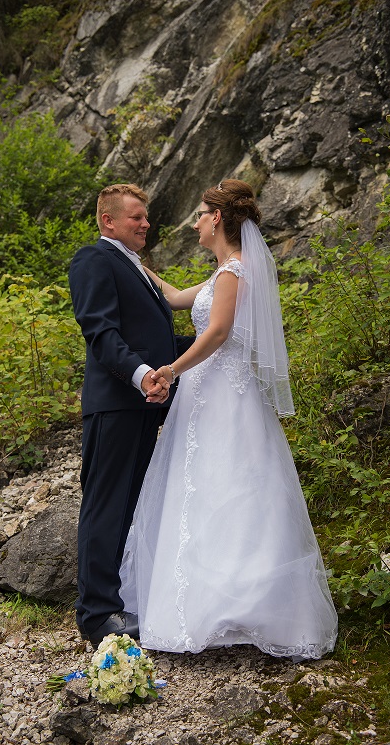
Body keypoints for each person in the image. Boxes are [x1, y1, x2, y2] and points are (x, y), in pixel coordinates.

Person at [120, 179, 338, 659]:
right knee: (202, 488)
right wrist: (133, 262)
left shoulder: (235, 272)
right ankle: (209, 604)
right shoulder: (224, 272)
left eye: (200, 214)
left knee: (230, 486)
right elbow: (174, 297)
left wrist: (170, 370)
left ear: (216, 218)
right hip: (206, 394)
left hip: (224, 395)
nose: (195, 223)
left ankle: (239, 607)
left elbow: (217, 332)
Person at [68, 183, 194, 648]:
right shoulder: (94, 259)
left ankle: (113, 603)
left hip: (143, 405)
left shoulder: (136, 267)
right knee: (105, 505)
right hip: (116, 403)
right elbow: (101, 333)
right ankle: (96, 615)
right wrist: (142, 377)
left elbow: (154, 341)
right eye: (136, 217)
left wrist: (211, 348)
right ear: (109, 221)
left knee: (126, 505)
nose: (146, 223)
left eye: (146, 216)